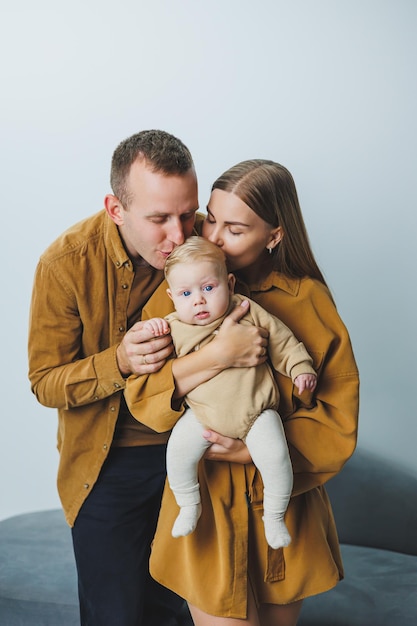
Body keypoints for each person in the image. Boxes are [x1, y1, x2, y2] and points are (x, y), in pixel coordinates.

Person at [27, 130, 268, 626]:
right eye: (158, 219)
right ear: (116, 209)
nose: (180, 235)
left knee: (185, 610)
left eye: (188, 213)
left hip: (202, 449)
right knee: (115, 615)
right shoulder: (64, 264)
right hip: (106, 459)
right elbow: (45, 381)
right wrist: (118, 361)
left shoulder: (213, 239)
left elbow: (277, 296)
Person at [125, 159, 360, 626]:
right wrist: (217, 357)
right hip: (209, 505)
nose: (212, 237)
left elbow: (337, 412)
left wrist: (249, 451)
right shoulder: (180, 286)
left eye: (234, 228)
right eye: (211, 218)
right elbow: (144, 396)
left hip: (284, 502)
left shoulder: (306, 299)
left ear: (274, 235)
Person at [143, 236, 317, 549]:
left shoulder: (249, 311)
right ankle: (188, 504)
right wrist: (147, 330)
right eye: (186, 293)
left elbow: (283, 341)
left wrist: (300, 368)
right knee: (177, 452)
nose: (198, 300)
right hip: (203, 417)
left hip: (257, 414)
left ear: (230, 282)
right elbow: (154, 373)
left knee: (277, 457)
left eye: (208, 288)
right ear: (172, 297)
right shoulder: (173, 327)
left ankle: (275, 516)